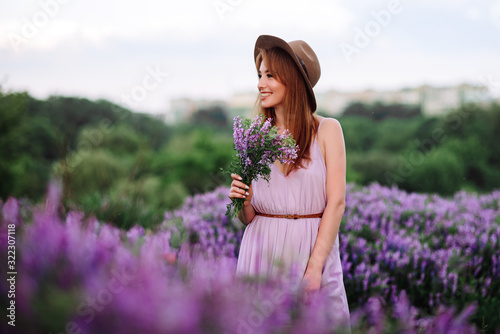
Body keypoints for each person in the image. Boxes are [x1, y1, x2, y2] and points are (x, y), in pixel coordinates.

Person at [229, 35, 350, 328]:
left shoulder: (327, 130)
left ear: (293, 80)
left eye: (270, 75)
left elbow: (336, 204)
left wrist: (315, 268)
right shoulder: (254, 135)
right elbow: (249, 218)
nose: (260, 83)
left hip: (311, 251)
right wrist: (242, 203)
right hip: (261, 253)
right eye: (260, 74)